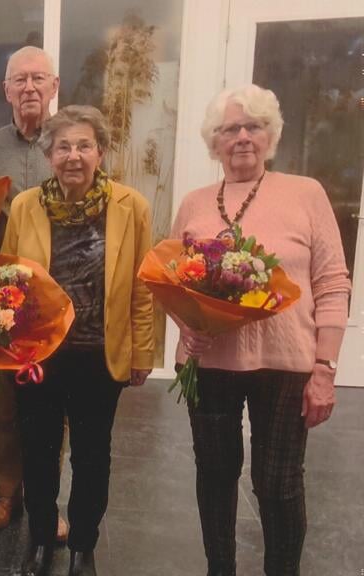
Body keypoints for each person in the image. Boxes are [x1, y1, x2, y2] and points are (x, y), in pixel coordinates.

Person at [174, 84, 351, 576]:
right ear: (215, 141)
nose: (243, 137)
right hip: (210, 365)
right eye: (231, 128)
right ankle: (220, 567)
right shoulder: (194, 203)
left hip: (288, 364)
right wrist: (188, 330)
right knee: (214, 474)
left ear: (270, 135)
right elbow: (170, 278)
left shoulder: (305, 193)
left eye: (254, 126)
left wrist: (325, 367)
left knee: (278, 484)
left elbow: (333, 281)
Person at [1, 105, 153, 576]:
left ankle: (84, 545)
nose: (73, 155)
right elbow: (6, 278)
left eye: (84, 145)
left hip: (98, 354)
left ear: (100, 152)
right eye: (63, 146)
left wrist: (143, 351)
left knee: (92, 457)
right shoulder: (26, 205)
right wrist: (1, 344)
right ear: (48, 155)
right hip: (38, 356)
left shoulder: (131, 207)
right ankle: (43, 540)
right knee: (39, 454)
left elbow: (143, 285)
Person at [0, 45, 68, 540]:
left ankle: (49, 495)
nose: (29, 88)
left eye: (38, 79)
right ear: (5, 90)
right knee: (6, 404)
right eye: (19, 80)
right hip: (4, 298)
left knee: (54, 403)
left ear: (54, 86)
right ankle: (7, 491)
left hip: (58, 296)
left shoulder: (71, 143)